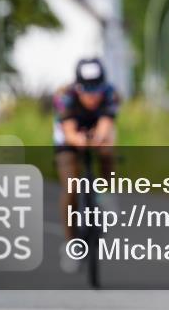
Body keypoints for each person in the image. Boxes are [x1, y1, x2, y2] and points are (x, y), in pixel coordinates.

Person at [53, 57, 119, 273]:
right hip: (69, 137)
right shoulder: (65, 97)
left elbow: (106, 124)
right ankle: (71, 243)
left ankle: (105, 193)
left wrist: (98, 139)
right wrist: (81, 141)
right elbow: (70, 133)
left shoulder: (111, 93)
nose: (92, 95)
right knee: (70, 186)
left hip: (96, 129)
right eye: (87, 89)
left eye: (96, 89)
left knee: (107, 147)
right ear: (78, 86)